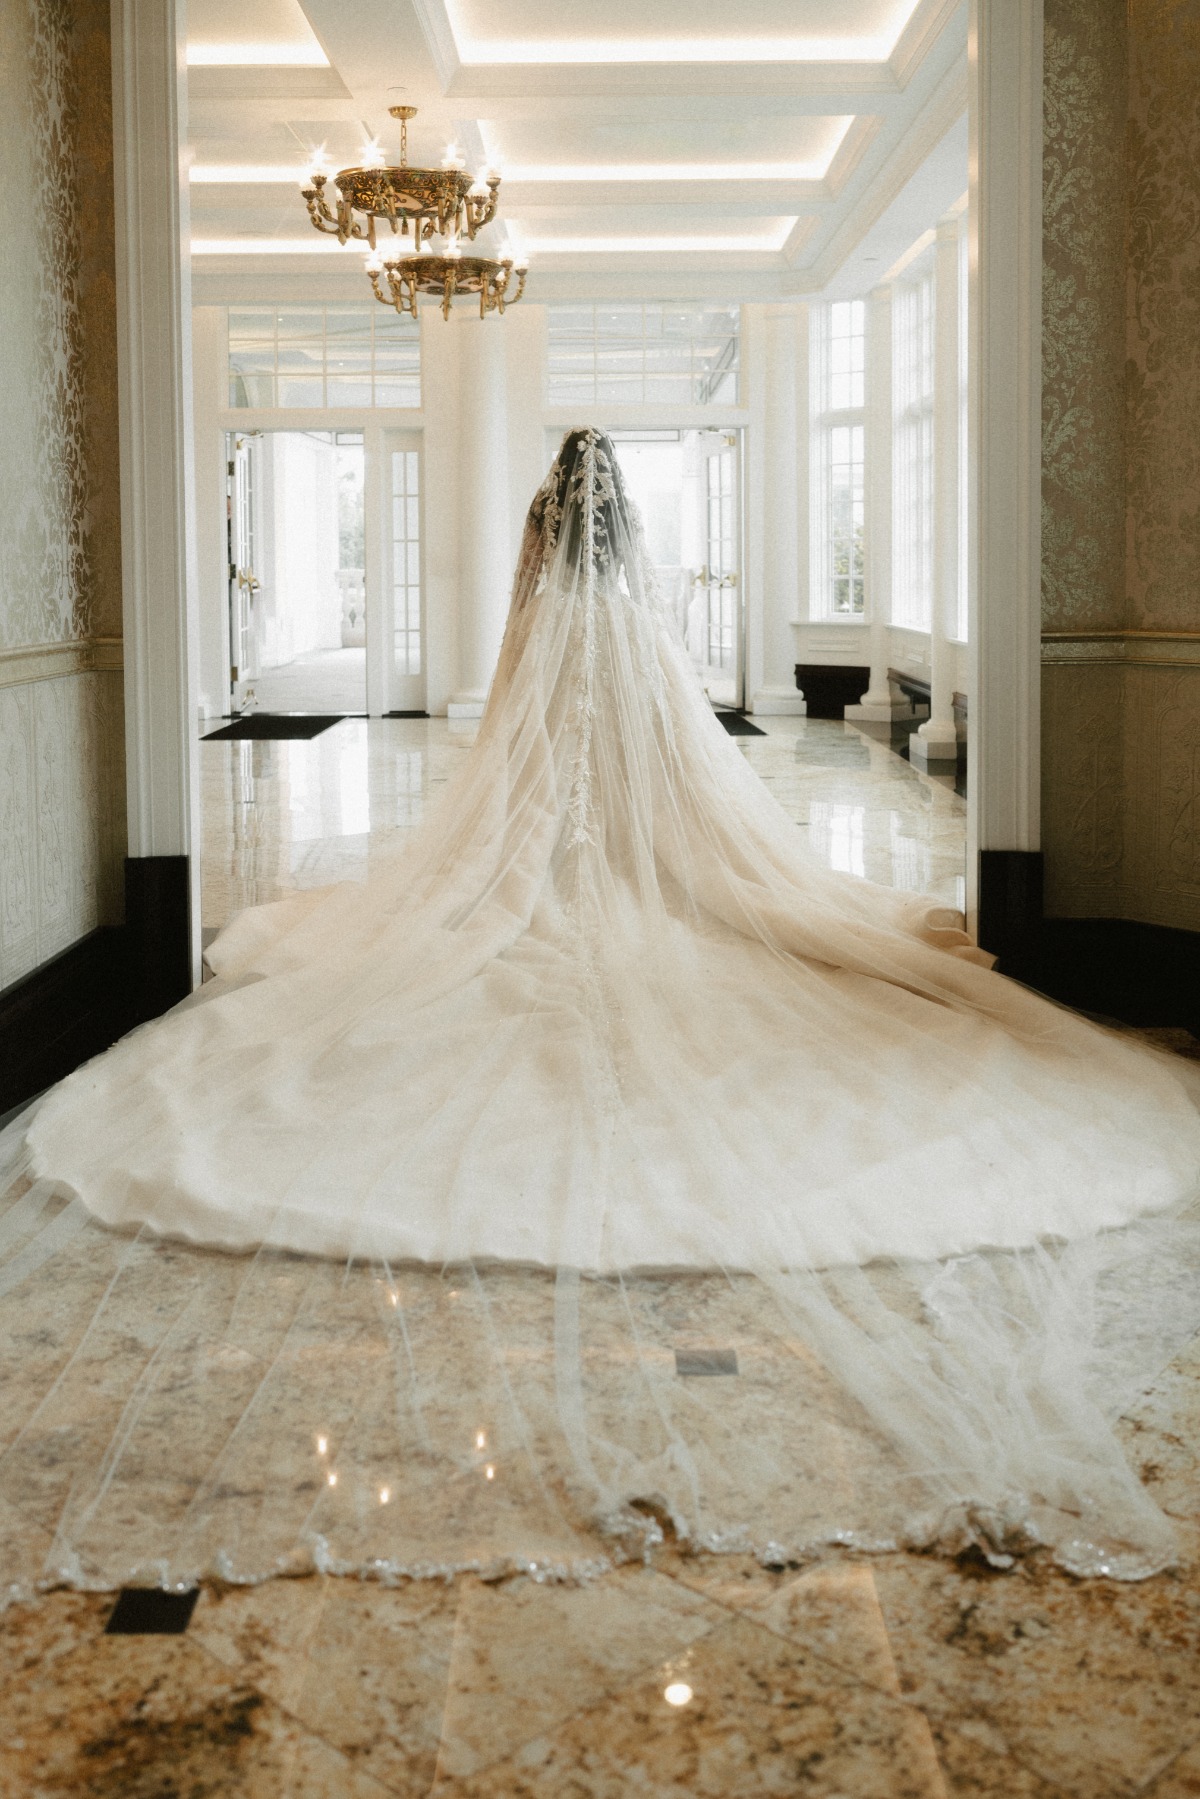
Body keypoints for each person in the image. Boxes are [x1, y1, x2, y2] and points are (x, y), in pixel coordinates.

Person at [6, 426, 1200, 1586]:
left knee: (542, 861)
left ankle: (568, 886)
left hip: (568, 692)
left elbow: (525, 648)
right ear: (617, 503)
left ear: (549, 507)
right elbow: (660, 683)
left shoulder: (539, 549)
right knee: (656, 847)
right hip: (631, 684)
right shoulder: (628, 582)